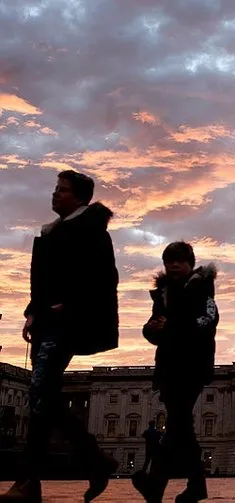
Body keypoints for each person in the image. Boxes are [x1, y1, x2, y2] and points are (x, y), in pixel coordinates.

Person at [0, 170, 120, 503]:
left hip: (68, 322)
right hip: (48, 321)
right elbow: (45, 280)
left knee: (40, 390)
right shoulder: (55, 232)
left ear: (80, 197)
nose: (55, 194)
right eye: (55, 189)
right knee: (42, 399)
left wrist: (65, 306)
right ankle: (75, 467)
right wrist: (33, 311)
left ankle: (38, 476)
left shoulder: (91, 230)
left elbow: (104, 278)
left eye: (62, 190)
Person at [132, 241, 218, 503]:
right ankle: (194, 486)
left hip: (192, 366)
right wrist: (152, 329)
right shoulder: (163, 294)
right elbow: (154, 327)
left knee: (178, 423)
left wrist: (171, 328)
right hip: (168, 366)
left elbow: (208, 320)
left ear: (190, 263)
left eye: (179, 260)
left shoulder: (201, 289)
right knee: (181, 428)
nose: (174, 265)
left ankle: (156, 484)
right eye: (169, 261)